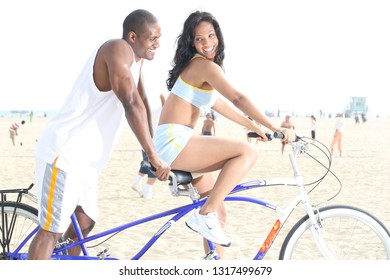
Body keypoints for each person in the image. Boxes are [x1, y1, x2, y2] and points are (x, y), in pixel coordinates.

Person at [28, 9, 170, 260]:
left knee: (86, 222)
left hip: (86, 162)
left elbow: (143, 102)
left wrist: (155, 149)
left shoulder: (136, 63)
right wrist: (151, 155)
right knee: (51, 230)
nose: (157, 44)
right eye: (152, 38)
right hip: (65, 153)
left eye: (159, 38)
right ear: (133, 36)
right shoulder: (117, 49)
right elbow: (130, 101)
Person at [153, 11, 294, 255]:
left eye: (211, 35)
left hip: (178, 141)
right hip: (175, 142)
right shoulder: (203, 66)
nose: (207, 43)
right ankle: (204, 214)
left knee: (220, 211)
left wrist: (253, 126)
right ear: (192, 42)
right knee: (246, 152)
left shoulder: (201, 67)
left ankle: (215, 264)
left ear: (218, 35)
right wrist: (274, 127)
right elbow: (238, 98)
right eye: (199, 39)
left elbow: (220, 104)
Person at [132, 93, 166, 199]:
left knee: (146, 163)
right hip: (155, 142)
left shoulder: (146, 110)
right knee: (156, 166)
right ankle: (147, 189)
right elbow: (166, 108)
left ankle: (137, 182)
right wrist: (163, 98)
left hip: (145, 141)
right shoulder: (159, 109)